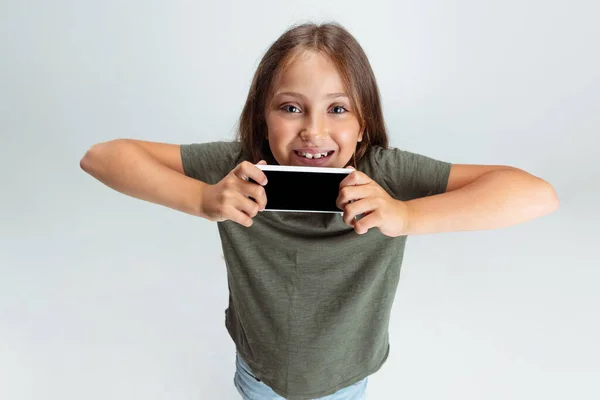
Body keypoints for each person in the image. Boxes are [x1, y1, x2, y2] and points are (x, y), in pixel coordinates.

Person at [80, 22, 559, 400]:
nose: (313, 131)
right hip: (258, 373)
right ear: (262, 118)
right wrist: (201, 199)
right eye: (291, 108)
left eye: (337, 109)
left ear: (362, 123)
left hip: (346, 378)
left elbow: (537, 194)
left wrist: (405, 216)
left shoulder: (385, 174)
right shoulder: (238, 169)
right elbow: (100, 156)